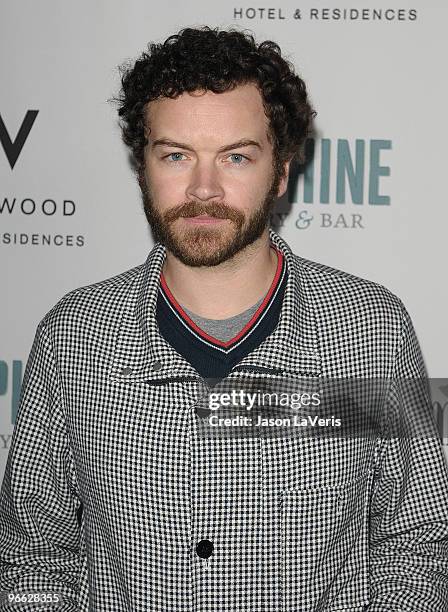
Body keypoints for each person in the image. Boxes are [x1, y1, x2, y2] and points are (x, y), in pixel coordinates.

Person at [1, 25, 448, 612]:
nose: (203, 188)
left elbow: (416, 549)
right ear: (143, 167)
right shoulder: (73, 334)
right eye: (176, 155)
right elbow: (34, 553)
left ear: (281, 171)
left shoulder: (371, 329)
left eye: (236, 156)